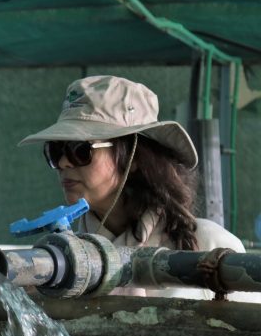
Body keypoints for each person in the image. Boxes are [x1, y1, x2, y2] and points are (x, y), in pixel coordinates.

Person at [19, 75, 244, 297]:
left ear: (134, 157)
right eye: (55, 151)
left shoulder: (209, 244)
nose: (62, 162)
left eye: (80, 150)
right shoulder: (62, 262)